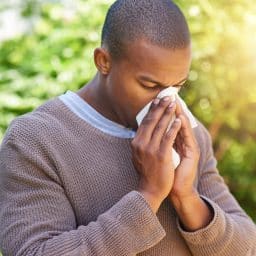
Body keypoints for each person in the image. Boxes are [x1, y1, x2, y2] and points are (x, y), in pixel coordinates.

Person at [0, 0, 255, 255]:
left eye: (177, 85)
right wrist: (150, 195)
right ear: (103, 62)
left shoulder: (188, 134)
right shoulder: (34, 140)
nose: (165, 101)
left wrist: (186, 197)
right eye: (149, 85)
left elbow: (248, 248)